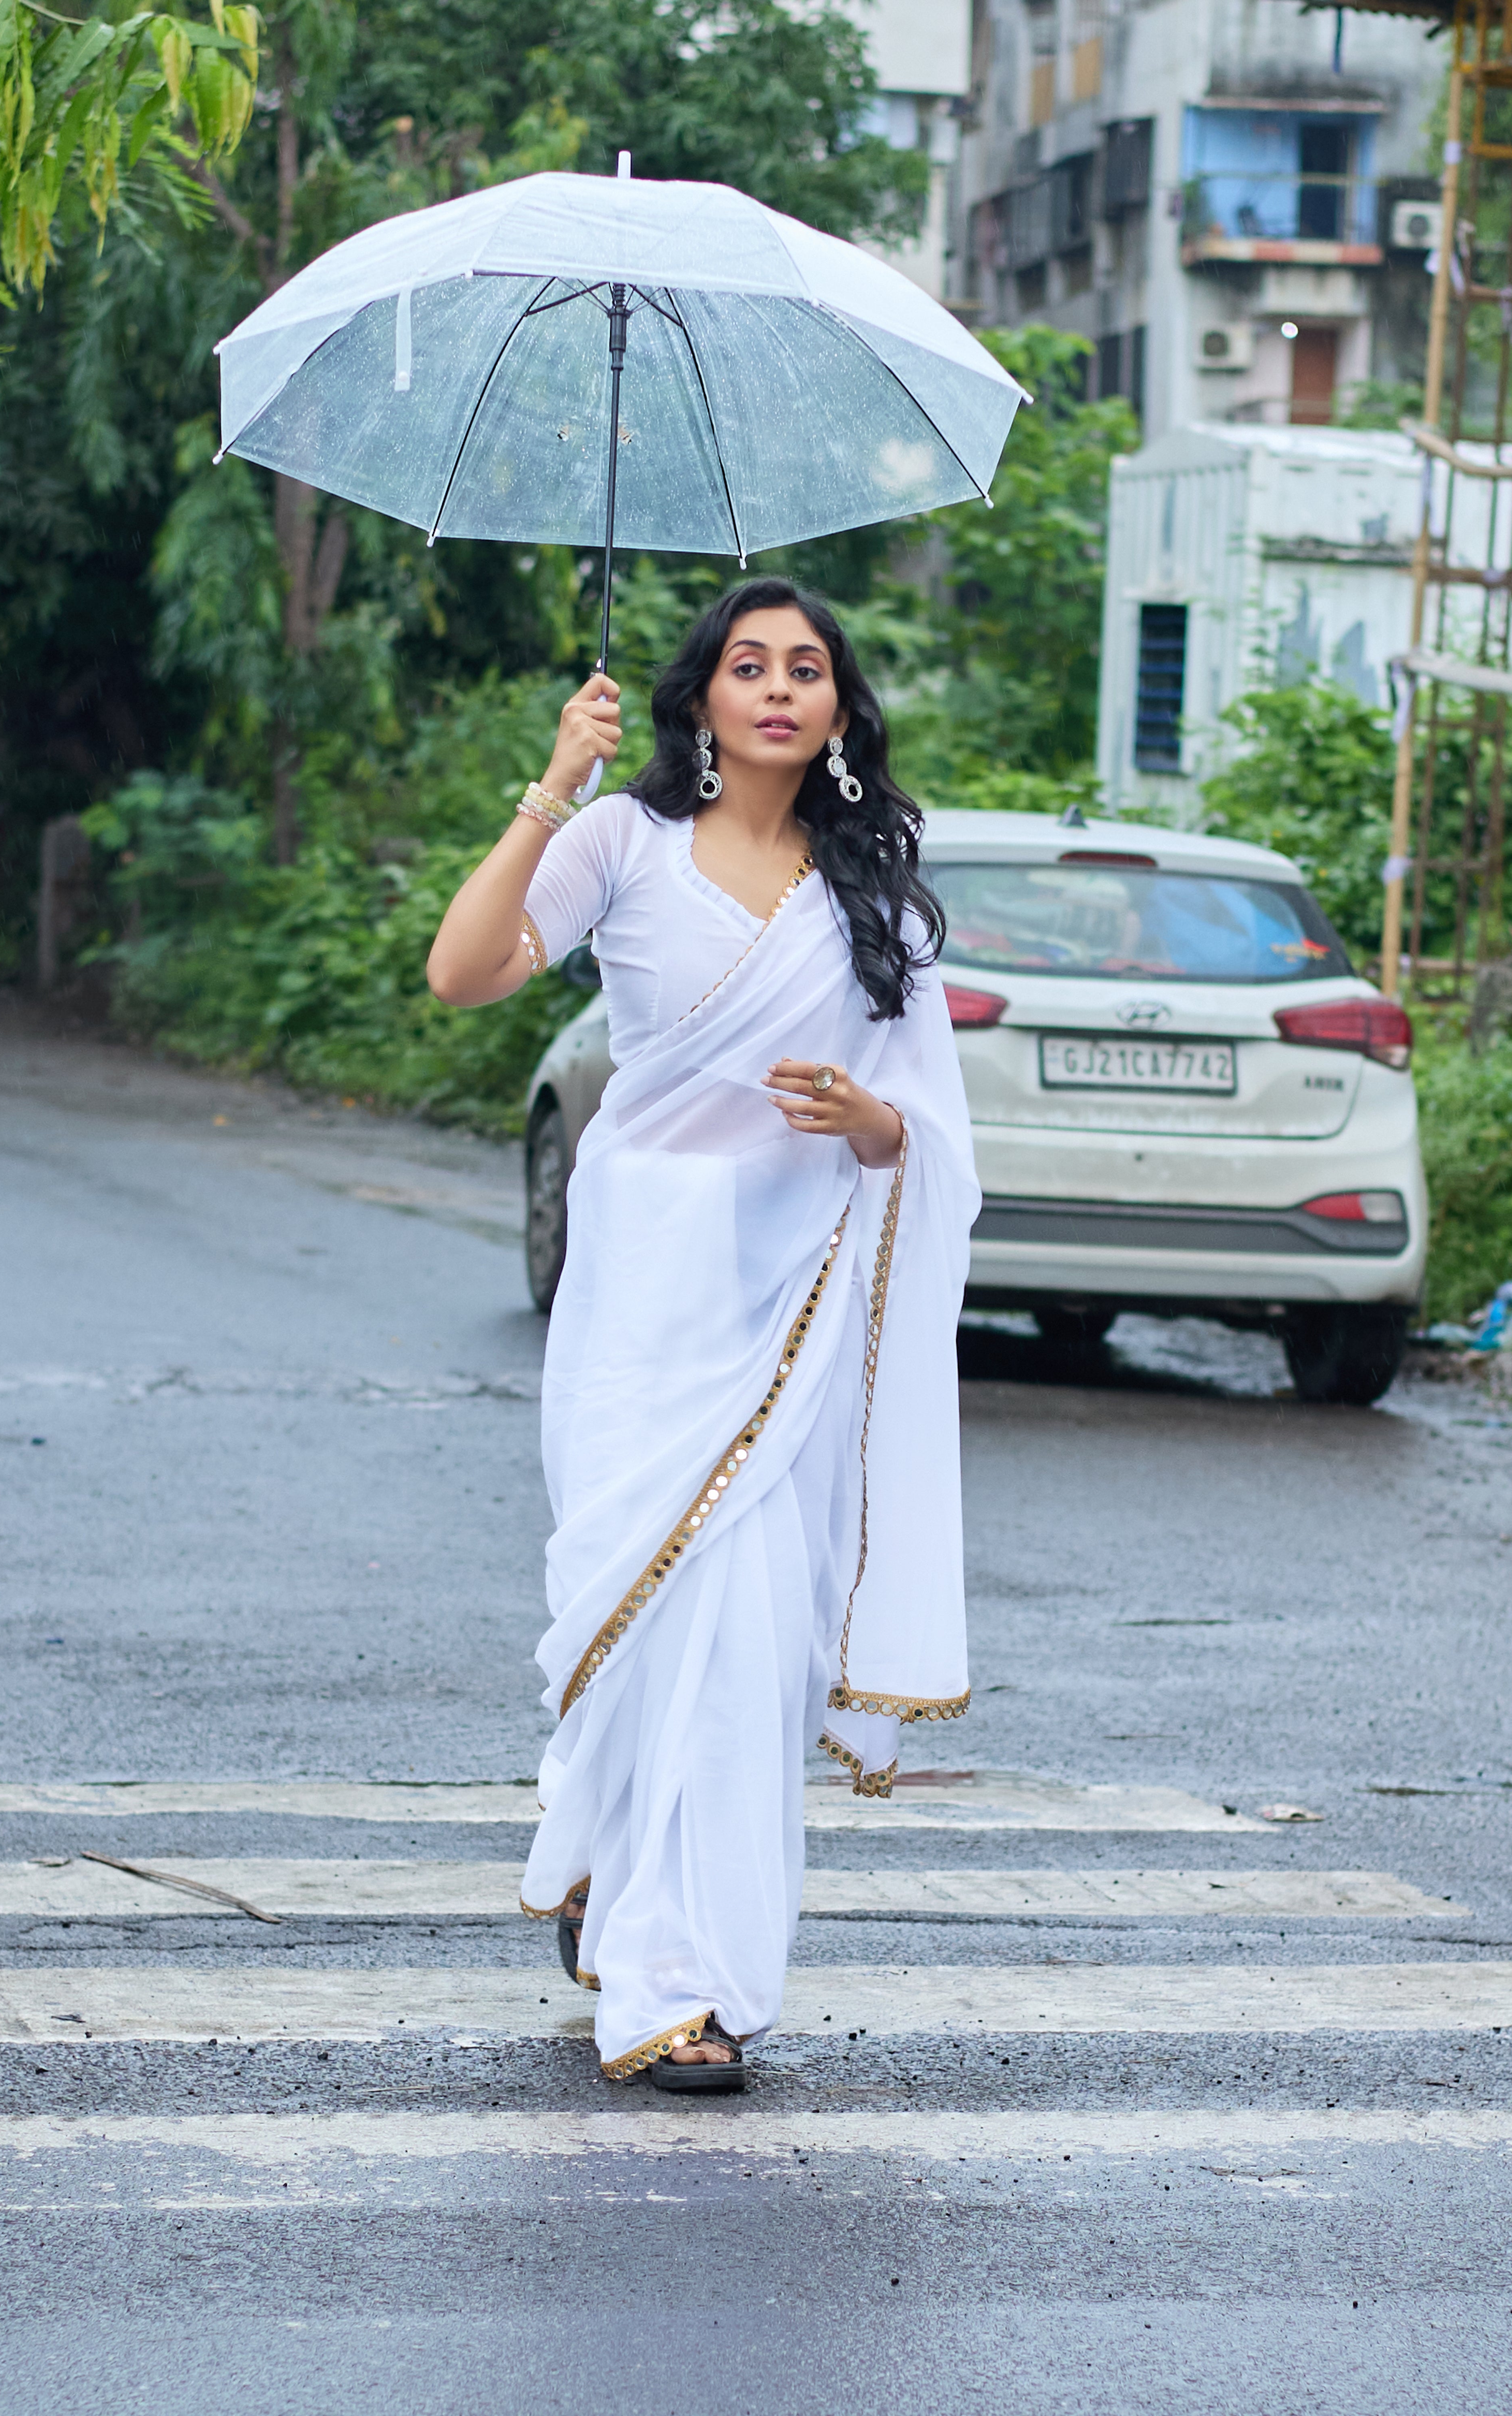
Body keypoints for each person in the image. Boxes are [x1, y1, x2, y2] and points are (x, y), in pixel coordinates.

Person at [427, 577, 978, 2092]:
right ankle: (646, 1929)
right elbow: (463, 972)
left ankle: (676, 1952)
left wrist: (878, 1126)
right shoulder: (621, 843)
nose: (782, 689)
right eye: (750, 666)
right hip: (644, 1299)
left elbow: (929, 1128)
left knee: (754, 1646)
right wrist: (554, 787)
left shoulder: (873, 885)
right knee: (650, 1614)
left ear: (844, 712)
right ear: (702, 701)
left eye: (810, 669)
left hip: (795, 1305)